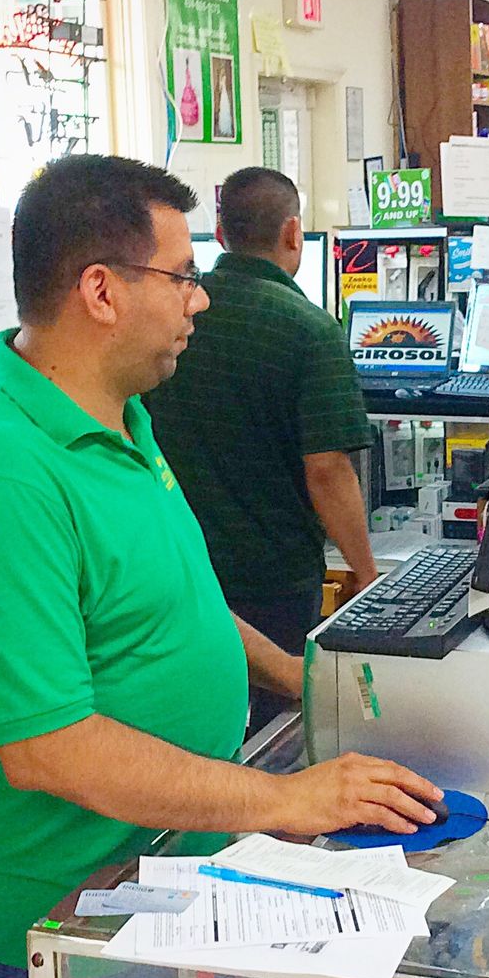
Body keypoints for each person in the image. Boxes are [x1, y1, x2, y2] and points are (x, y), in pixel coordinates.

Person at [0, 155, 440, 978]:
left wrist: (312, 682)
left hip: (162, 883)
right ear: (101, 292)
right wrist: (285, 799)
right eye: (182, 276)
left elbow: (179, 612)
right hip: (55, 933)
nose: (201, 298)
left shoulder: (124, 418)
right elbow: (50, 748)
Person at [148, 166, 379, 728]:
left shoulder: (165, 321)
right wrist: (369, 576)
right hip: (273, 578)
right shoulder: (311, 330)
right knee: (278, 728)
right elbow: (327, 469)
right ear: (294, 233)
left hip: (178, 573)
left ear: (221, 236)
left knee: (201, 722)